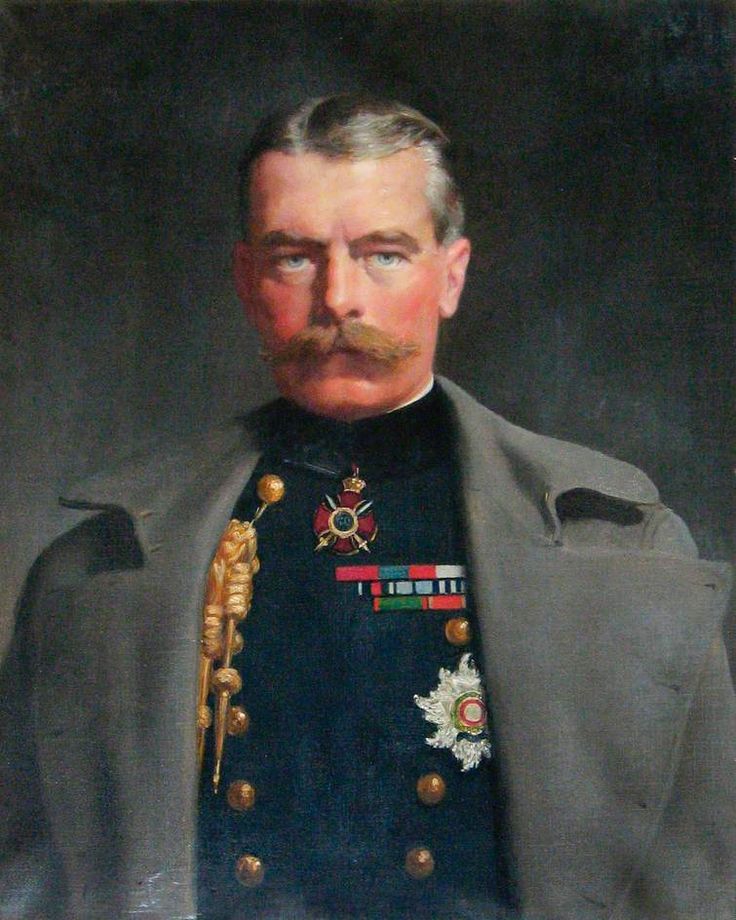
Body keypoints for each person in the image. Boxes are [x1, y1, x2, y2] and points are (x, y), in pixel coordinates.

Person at [1, 94, 734, 920]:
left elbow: (700, 888)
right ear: (247, 282)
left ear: (451, 275)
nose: (339, 299)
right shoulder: (93, 575)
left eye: (383, 254)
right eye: (294, 258)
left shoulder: (624, 550)